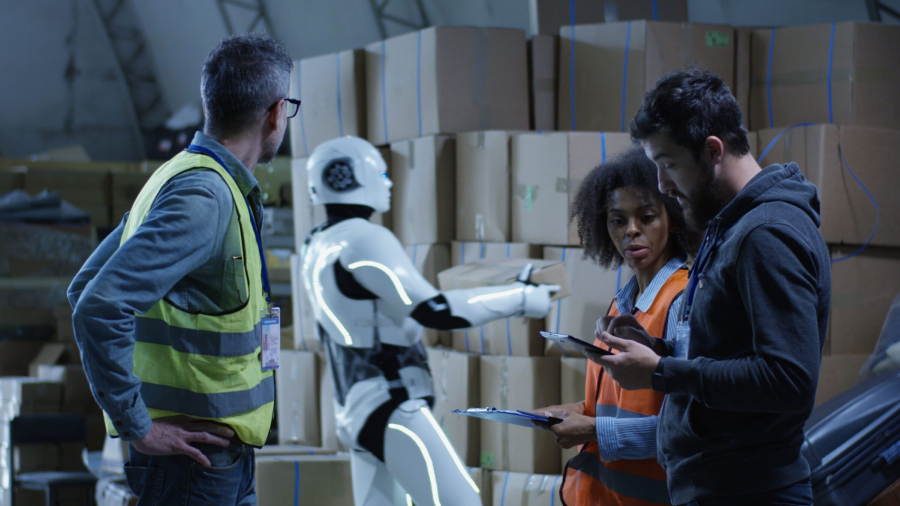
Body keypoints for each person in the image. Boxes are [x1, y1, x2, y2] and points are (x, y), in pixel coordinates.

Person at [66, 34, 297, 505]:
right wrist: (139, 427)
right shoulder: (204, 197)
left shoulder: (181, 176)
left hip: (217, 458)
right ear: (276, 113)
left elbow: (85, 284)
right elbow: (97, 305)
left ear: (210, 103)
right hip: (194, 464)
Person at [585, 66, 831, 506]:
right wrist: (656, 350)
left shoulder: (765, 234)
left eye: (668, 164)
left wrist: (661, 372)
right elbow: (731, 351)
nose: (662, 184)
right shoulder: (731, 228)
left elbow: (789, 379)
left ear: (713, 150)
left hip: (750, 494)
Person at [300, 135, 558, 506]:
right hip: (389, 401)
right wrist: (523, 297)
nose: (389, 183)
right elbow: (435, 310)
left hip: (354, 406)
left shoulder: (316, 243)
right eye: (381, 174)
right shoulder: (364, 239)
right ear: (348, 176)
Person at [531, 147, 698, 506]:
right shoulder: (622, 303)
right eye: (618, 221)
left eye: (647, 217)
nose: (631, 231)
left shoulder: (683, 301)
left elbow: (689, 427)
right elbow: (627, 403)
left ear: (672, 218)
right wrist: (579, 411)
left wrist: (593, 429)